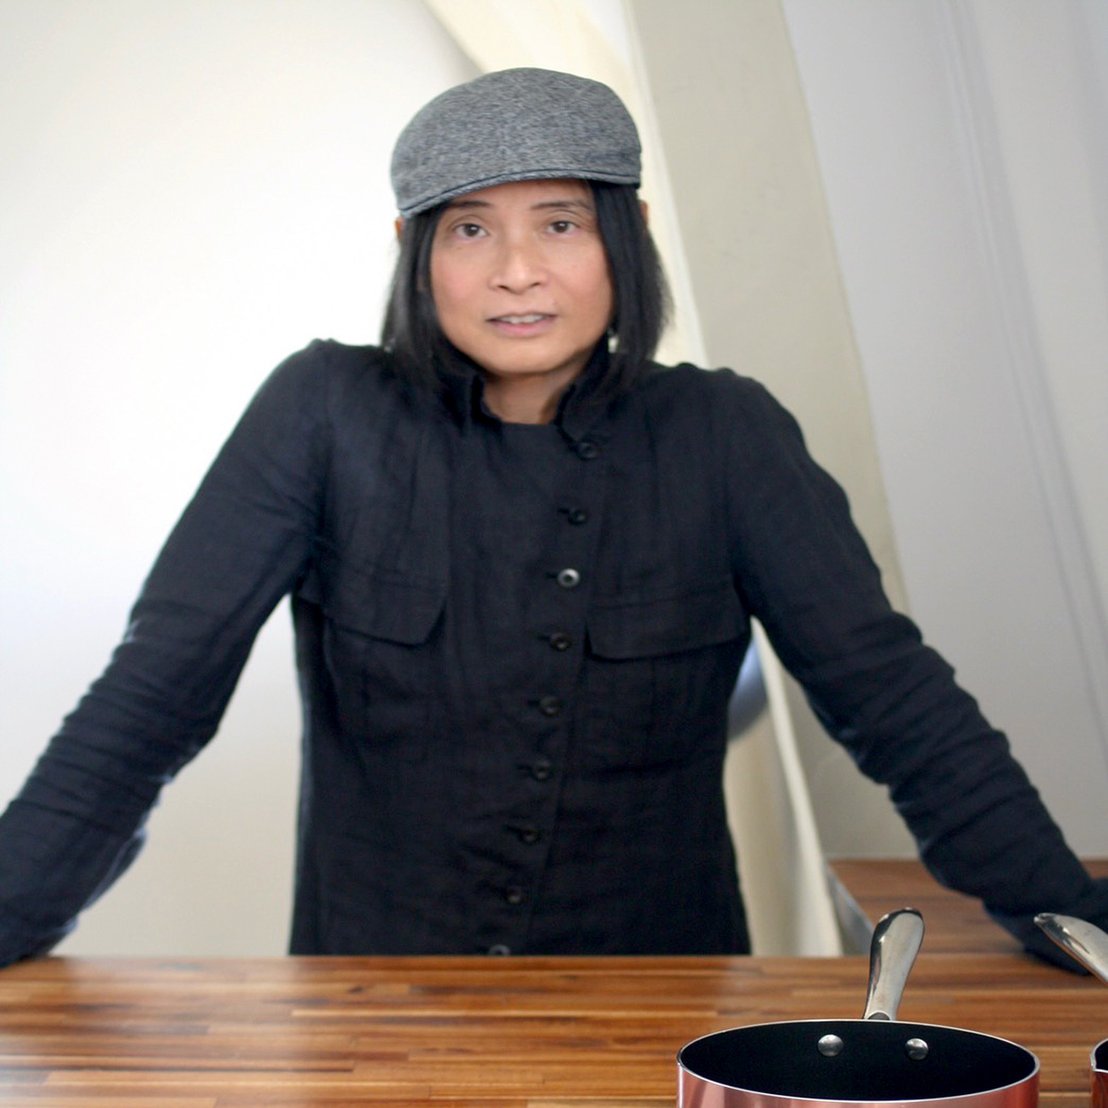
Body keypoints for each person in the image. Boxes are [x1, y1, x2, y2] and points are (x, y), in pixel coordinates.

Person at [1, 68, 1104, 967]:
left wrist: (1075, 924)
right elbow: (154, 695)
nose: (517, 272)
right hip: (375, 1006)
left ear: (628, 234)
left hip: (660, 1002)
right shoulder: (321, 412)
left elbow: (894, 701)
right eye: (470, 230)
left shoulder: (726, 434)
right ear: (413, 251)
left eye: (561, 223)